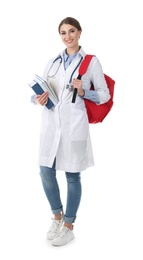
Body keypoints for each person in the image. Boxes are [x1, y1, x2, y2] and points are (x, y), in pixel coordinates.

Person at [31, 17, 110, 246]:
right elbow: (44, 88)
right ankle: (57, 217)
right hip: (51, 124)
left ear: (79, 32)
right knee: (45, 170)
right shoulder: (53, 61)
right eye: (63, 33)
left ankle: (68, 225)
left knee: (72, 175)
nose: (68, 36)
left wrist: (85, 91)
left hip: (74, 124)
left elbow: (104, 95)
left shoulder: (90, 62)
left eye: (72, 31)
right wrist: (38, 98)